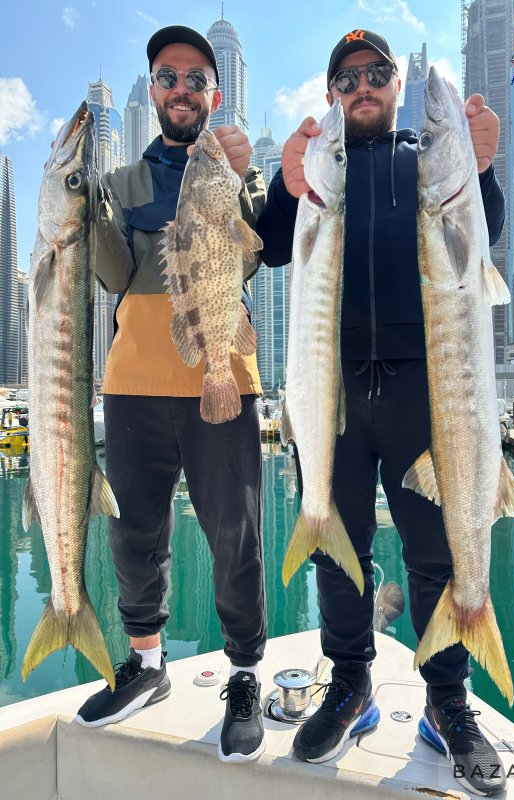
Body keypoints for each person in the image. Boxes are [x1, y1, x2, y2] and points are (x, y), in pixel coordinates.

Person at [257, 29, 507, 795]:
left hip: (420, 385)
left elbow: (479, 238)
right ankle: (350, 684)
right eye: (347, 78)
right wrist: (284, 187)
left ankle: (448, 703)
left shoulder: (424, 159)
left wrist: (484, 173)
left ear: (396, 84)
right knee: (340, 551)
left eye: (375, 73)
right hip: (328, 386)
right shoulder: (319, 167)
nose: (361, 86)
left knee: (435, 551)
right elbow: (271, 248)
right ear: (332, 94)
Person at [75, 25, 267, 764]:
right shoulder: (122, 183)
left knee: (235, 535)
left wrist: (242, 183)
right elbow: (112, 276)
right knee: (134, 535)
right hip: (133, 383)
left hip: (222, 372)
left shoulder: (238, 168)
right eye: (167, 76)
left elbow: (253, 260)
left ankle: (244, 674)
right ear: (153, 89)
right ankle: (147, 664)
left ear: (214, 96)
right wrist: (89, 209)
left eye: (195, 79)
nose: (181, 89)